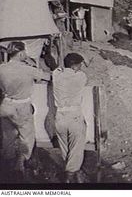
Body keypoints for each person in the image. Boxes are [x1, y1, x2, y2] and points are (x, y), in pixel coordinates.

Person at [0, 41, 51, 178]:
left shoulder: (1, 68)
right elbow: (48, 76)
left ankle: (7, 164)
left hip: (6, 105)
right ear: (21, 53)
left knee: (7, 137)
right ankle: (20, 163)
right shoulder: (28, 69)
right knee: (27, 137)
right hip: (22, 106)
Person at [52, 53, 88, 183]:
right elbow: (79, 72)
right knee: (76, 147)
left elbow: (58, 69)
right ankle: (70, 174)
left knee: (64, 147)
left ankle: (69, 170)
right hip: (74, 115)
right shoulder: (81, 77)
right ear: (76, 66)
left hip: (60, 116)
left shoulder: (56, 75)